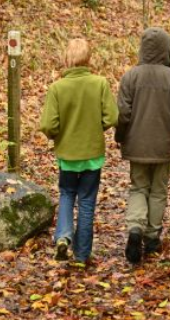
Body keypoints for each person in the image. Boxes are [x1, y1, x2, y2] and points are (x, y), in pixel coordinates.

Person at [115, 27, 170, 264]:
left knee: (138, 187)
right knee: (158, 190)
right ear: (168, 49)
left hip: (136, 145)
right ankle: (152, 237)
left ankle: (135, 228)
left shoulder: (130, 76)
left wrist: (121, 136)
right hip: (164, 145)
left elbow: (123, 113)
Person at [39, 38, 118, 265]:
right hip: (93, 155)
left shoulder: (57, 88)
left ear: (67, 59)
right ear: (88, 58)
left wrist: (59, 136)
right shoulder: (100, 83)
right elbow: (112, 116)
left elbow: (47, 124)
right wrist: (97, 128)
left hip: (67, 156)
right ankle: (82, 255)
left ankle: (63, 236)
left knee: (66, 194)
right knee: (86, 202)